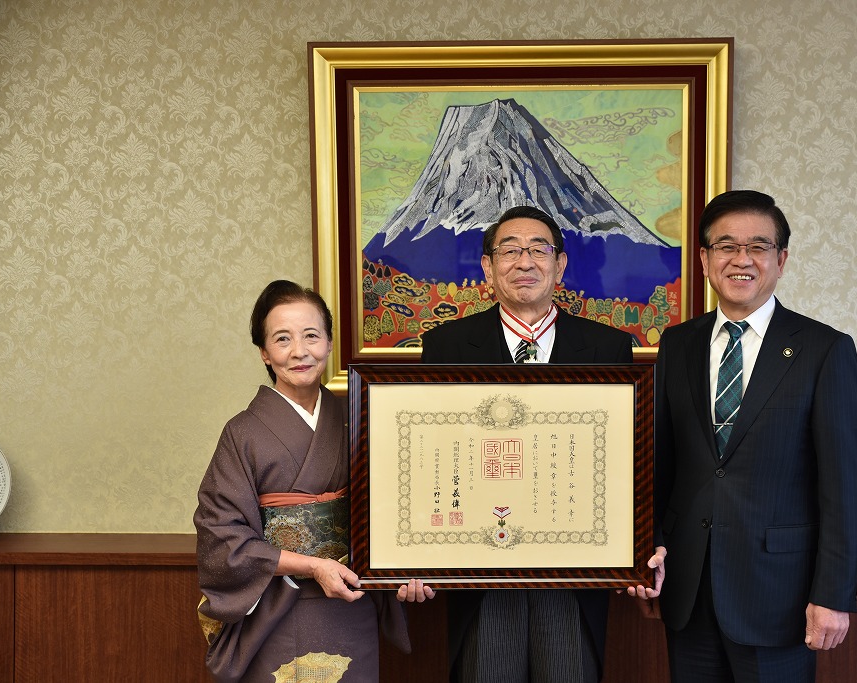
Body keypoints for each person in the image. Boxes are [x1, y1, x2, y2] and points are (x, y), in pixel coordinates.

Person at [642, 190, 857, 682]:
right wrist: (649, 550)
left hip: (778, 594)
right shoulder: (676, 345)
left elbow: (844, 488)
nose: (741, 260)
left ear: (781, 259)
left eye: (758, 247)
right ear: (704, 259)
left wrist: (832, 594)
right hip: (687, 588)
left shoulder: (824, 350)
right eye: (726, 246)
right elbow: (659, 464)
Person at [421, 205, 634, 683]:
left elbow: (625, 462)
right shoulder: (446, 347)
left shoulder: (609, 348)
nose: (525, 262)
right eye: (510, 250)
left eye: (539, 250)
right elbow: (430, 458)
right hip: (479, 571)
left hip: (574, 569)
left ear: (560, 265)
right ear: (487, 266)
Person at [194, 280, 434, 682]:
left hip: (352, 601)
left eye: (311, 336)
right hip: (276, 605)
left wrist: (407, 568)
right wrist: (313, 565)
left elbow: (399, 509)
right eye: (282, 339)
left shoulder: (360, 419)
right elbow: (221, 535)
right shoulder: (243, 433)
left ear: (328, 343)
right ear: (265, 353)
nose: (299, 351)